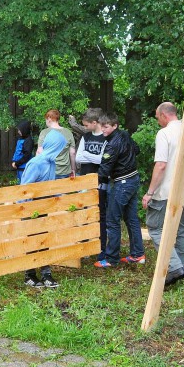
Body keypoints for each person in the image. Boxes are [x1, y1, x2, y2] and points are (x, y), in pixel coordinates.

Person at [141, 102, 184, 286]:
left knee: (155, 228)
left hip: (166, 192)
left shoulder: (164, 133)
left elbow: (161, 165)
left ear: (164, 115)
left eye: (157, 118)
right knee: (183, 231)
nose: (157, 121)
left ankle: (174, 267)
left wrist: (150, 192)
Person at [95, 111, 145, 268]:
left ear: (115, 125)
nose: (103, 129)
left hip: (122, 183)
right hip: (133, 178)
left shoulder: (112, 144)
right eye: (101, 126)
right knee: (131, 219)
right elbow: (137, 150)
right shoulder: (124, 135)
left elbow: (104, 168)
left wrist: (96, 183)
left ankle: (111, 258)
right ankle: (138, 254)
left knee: (112, 220)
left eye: (106, 127)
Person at [20, 129, 67, 288]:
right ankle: (30, 275)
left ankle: (46, 274)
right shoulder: (36, 163)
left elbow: (50, 185)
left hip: (44, 207)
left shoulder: (51, 163)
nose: (61, 151)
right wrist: (25, 210)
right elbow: (24, 189)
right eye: (59, 147)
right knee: (33, 241)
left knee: (44, 240)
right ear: (53, 146)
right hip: (31, 208)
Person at [76, 108, 107, 260]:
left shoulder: (106, 137)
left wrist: (87, 155)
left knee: (99, 214)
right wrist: (92, 156)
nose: (85, 128)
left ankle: (101, 247)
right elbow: (78, 158)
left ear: (95, 123)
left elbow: (103, 160)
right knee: (84, 213)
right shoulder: (86, 137)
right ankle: (85, 245)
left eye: (87, 125)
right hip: (84, 182)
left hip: (99, 182)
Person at [37, 109, 76, 179]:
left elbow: (39, 152)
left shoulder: (44, 132)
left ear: (49, 119)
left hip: (49, 171)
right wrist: (73, 169)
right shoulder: (68, 132)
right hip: (65, 171)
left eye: (46, 119)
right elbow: (72, 153)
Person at [11, 119, 34, 184]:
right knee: (19, 186)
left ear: (24, 129)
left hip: (24, 168)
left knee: (24, 186)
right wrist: (14, 162)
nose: (18, 132)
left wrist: (17, 163)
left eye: (19, 130)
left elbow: (27, 155)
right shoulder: (21, 138)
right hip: (19, 167)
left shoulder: (28, 141)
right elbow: (17, 152)